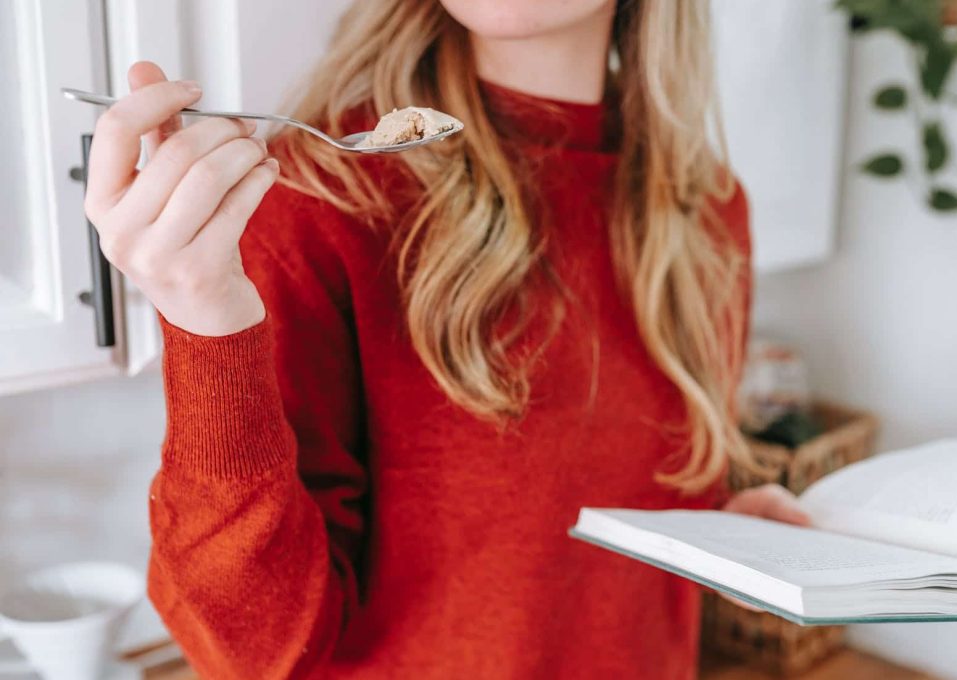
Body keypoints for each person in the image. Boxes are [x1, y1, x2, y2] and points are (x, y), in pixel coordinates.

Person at [83, 1, 809, 677]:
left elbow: (574, 515)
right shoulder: (318, 201)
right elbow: (256, 653)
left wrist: (723, 532)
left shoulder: (707, 212)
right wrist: (202, 319)